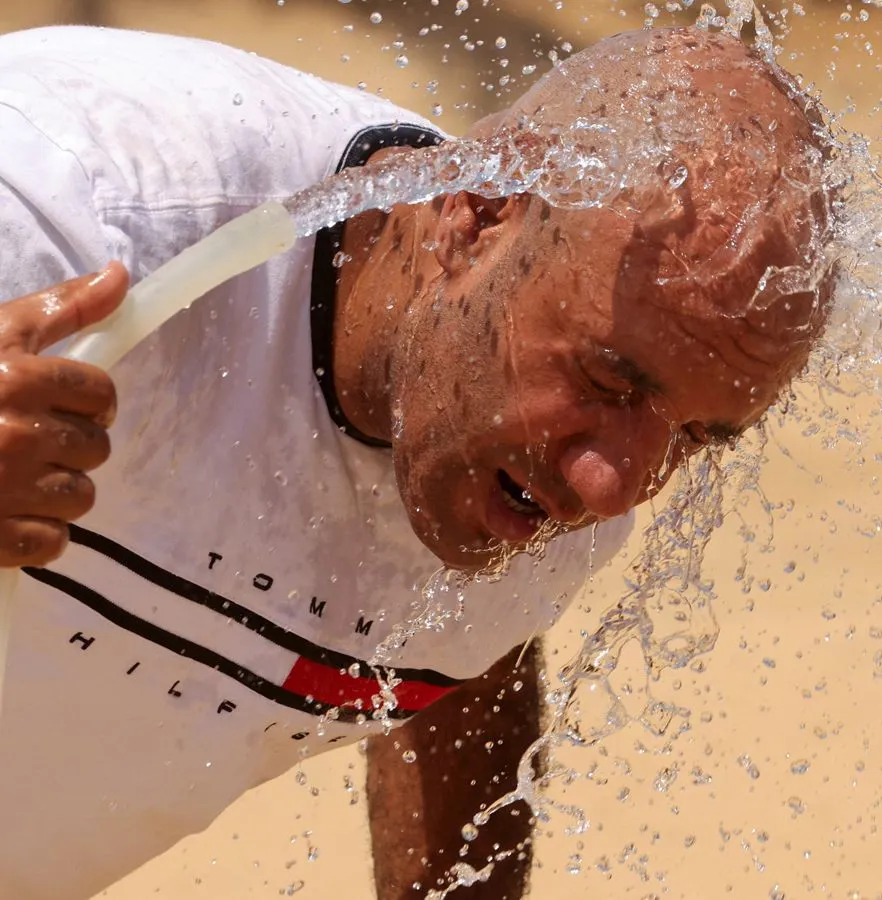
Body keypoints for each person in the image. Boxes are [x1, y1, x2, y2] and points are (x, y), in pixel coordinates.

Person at [0, 22, 833, 900]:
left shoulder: (536, 435)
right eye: (607, 378)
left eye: (699, 437)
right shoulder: (76, 210)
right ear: (475, 218)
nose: (611, 489)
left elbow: (457, 653)